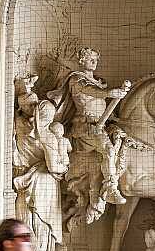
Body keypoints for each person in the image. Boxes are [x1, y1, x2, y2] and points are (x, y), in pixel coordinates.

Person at [49, 46, 129, 222]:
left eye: (95, 58)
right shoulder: (77, 80)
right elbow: (90, 92)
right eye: (90, 58)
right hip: (85, 127)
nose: (94, 61)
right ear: (81, 61)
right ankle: (110, 188)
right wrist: (109, 93)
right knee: (108, 149)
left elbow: (99, 96)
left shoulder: (99, 81)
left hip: (101, 125)